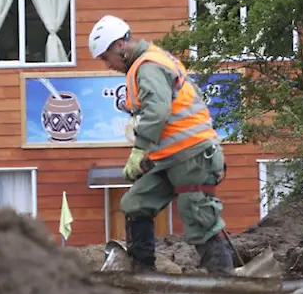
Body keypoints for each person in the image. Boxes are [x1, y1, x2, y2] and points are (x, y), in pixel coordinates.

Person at [88, 14, 236, 274]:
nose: (107, 65)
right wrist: (149, 155)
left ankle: (225, 282)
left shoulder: (149, 66)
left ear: (119, 47)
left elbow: (158, 111)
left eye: (105, 58)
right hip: (171, 158)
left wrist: (139, 149)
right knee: (136, 203)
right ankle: (143, 272)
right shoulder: (146, 64)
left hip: (193, 155)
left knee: (199, 218)